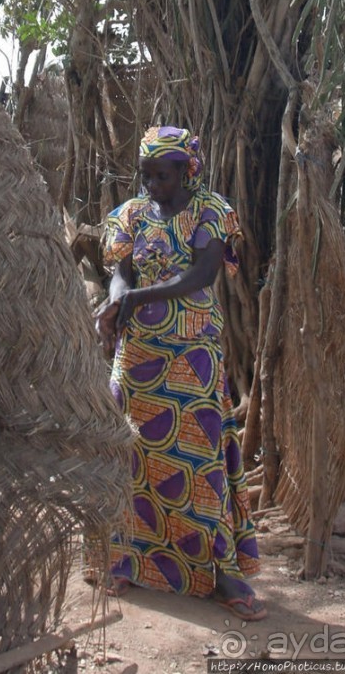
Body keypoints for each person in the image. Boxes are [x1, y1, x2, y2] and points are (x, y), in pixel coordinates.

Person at [94, 125, 265, 621]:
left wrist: (137, 298)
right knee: (129, 455)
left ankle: (220, 573)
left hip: (192, 355)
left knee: (200, 461)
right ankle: (122, 557)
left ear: (188, 172)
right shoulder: (130, 215)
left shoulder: (211, 212)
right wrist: (114, 301)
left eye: (162, 176)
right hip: (138, 359)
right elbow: (121, 272)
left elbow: (200, 276)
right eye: (146, 175)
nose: (152, 185)